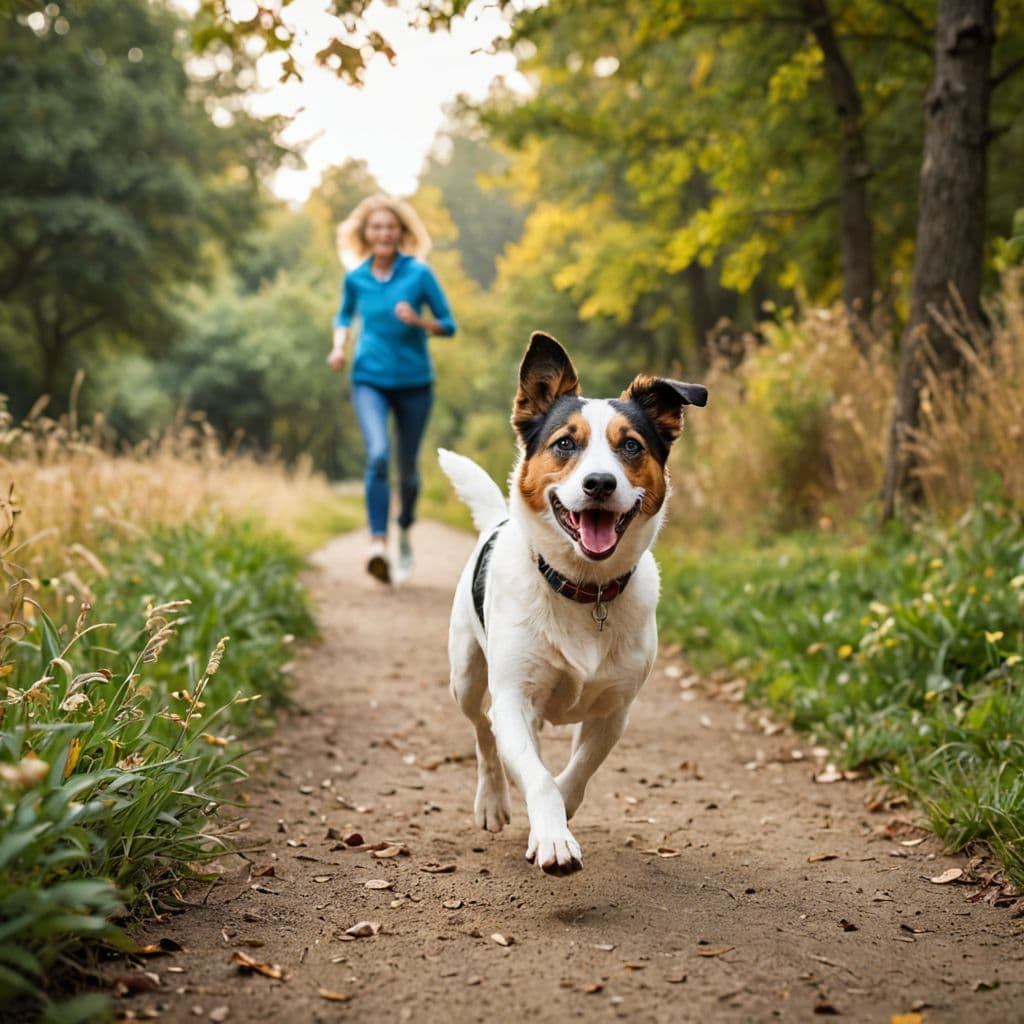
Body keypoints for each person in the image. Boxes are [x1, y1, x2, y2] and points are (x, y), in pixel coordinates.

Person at [328, 194, 457, 584]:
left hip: (415, 383)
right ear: (365, 233)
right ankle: (378, 544)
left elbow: (449, 324)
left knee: (409, 472)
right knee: (378, 456)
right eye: (376, 227)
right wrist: (338, 346)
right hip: (369, 378)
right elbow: (344, 315)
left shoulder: (419, 274)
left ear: (401, 231)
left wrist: (419, 322)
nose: (383, 233)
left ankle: (403, 528)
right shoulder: (356, 278)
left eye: (390, 227)